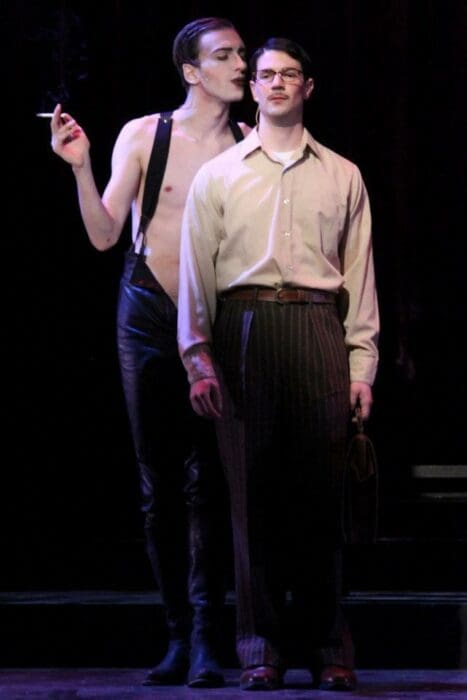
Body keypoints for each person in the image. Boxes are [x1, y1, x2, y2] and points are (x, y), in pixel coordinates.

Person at [49, 17, 250, 688]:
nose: (240, 65)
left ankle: (208, 636)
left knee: (208, 482)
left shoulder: (248, 143)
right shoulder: (145, 134)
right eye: (224, 55)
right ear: (192, 71)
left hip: (215, 319)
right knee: (156, 483)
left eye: (241, 54)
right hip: (145, 310)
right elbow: (105, 235)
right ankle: (175, 633)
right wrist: (81, 167)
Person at [177, 37, 379, 692]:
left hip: (317, 326)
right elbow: (195, 274)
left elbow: (359, 279)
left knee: (321, 498)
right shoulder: (219, 175)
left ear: (307, 88)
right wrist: (198, 359)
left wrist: (361, 366)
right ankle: (259, 645)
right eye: (265, 75)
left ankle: (327, 644)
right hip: (244, 327)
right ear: (254, 87)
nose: (276, 84)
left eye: (289, 75)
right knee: (250, 498)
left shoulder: (342, 174)